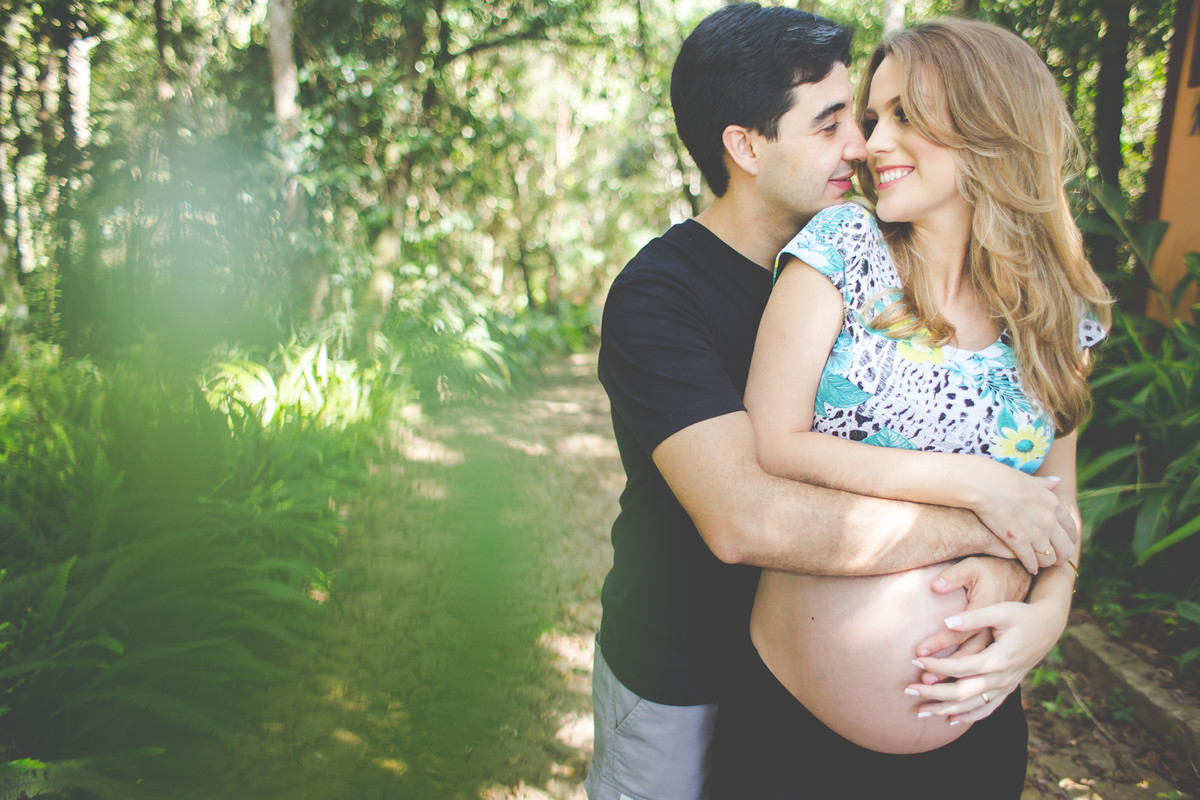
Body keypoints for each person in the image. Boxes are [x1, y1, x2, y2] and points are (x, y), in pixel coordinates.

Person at [587, 6, 1076, 800]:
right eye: (831, 123)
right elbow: (743, 518)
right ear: (745, 146)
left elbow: (1034, 462)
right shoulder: (659, 298)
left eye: (868, 116)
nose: (862, 143)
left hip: (822, 678)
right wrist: (995, 529)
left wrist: (1041, 596)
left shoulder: (876, 266)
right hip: (683, 662)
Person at [710, 17, 1112, 799]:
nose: (871, 142)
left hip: (978, 736)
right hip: (793, 740)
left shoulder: (1057, 314)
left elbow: (1058, 509)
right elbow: (775, 441)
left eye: (906, 116)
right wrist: (972, 482)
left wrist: (1050, 616)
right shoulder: (844, 246)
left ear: (993, 126)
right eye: (874, 115)